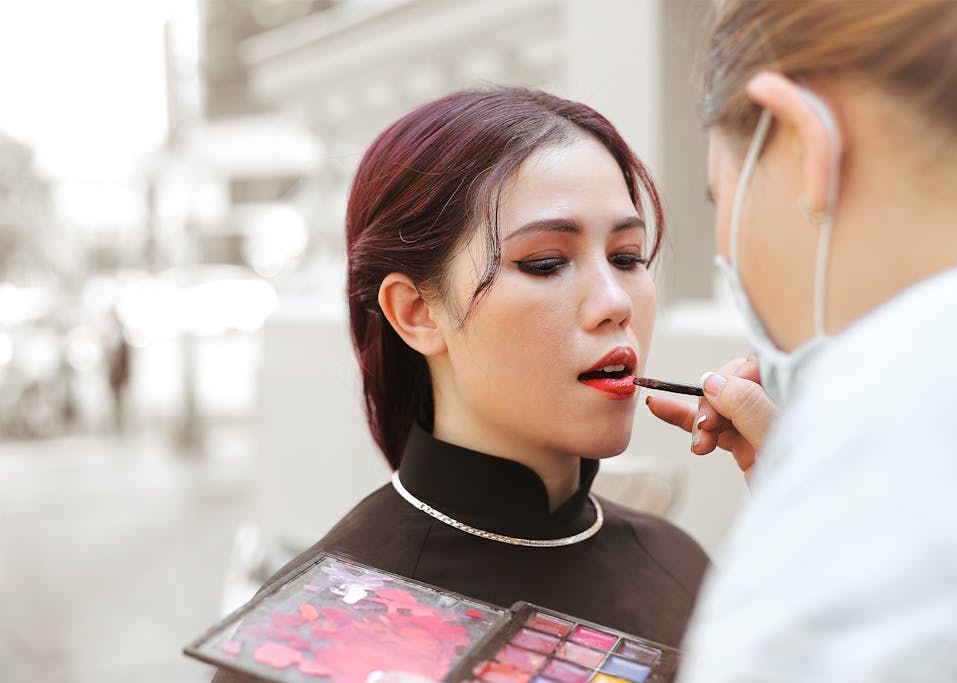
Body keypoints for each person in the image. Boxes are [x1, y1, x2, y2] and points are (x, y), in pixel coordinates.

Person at [210, 87, 709, 682]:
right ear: (417, 312)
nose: (615, 302)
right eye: (546, 262)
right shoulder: (312, 638)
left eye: (627, 257)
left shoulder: (684, 568)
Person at [643, 1, 957, 680]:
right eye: (547, 263)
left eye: (716, 196)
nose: (613, 303)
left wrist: (830, 508)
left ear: (799, 135)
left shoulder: (908, 412)